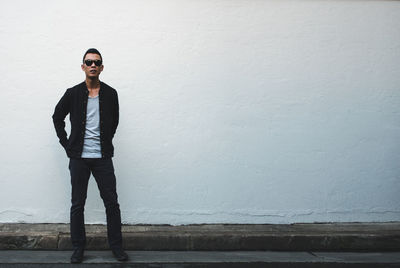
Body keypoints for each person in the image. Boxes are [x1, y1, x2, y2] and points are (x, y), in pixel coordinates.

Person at [52, 48, 128, 263]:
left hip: (103, 157)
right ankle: (78, 248)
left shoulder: (111, 94)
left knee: (111, 203)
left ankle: (117, 247)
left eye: (97, 62)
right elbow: (57, 117)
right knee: (78, 204)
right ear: (83, 66)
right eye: (89, 62)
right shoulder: (73, 93)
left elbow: (114, 122)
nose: (93, 65)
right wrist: (67, 144)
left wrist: (105, 142)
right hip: (79, 158)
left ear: (102, 67)